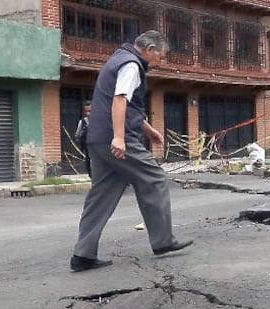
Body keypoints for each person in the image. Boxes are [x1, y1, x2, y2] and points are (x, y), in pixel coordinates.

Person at [70, 30, 192, 272]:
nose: (160, 62)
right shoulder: (131, 65)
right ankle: (163, 241)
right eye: (160, 57)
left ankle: (82, 254)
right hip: (116, 138)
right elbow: (119, 100)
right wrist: (118, 137)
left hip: (97, 138)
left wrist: (148, 130)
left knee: (102, 194)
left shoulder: (118, 58)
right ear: (150, 50)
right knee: (155, 178)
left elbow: (127, 105)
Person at [74, 101, 91, 176]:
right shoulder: (82, 122)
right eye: (87, 111)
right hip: (87, 146)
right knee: (88, 162)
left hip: (97, 147)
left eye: (90, 111)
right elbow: (77, 134)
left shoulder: (99, 121)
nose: (88, 113)